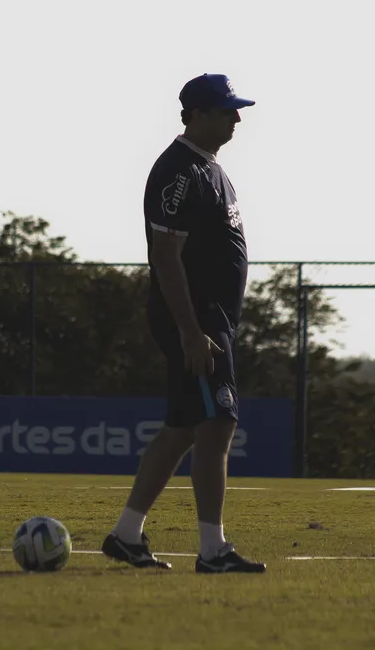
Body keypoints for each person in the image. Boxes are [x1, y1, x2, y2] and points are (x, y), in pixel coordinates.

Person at [101, 73, 266, 573]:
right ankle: (213, 550)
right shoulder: (179, 170)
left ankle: (126, 535)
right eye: (225, 110)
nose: (236, 118)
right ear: (196, 113)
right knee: (218, 421)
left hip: (210, 318)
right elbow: (165, 256)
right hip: (195, 318)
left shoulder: (211, 168)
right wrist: (191, 332)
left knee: (184, 427)